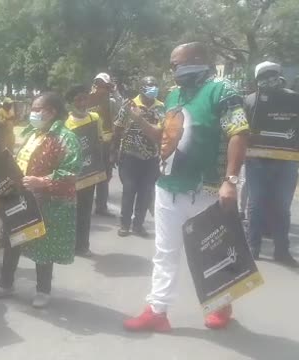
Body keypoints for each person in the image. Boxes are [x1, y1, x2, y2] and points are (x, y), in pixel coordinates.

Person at [123, 42, 249, 331]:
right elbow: (165, 138)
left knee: (211, 250)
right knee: (165, 252)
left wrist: (230, 181)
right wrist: (138, 118)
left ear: (197, 59)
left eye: (175, 63)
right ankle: (157, 311)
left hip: (207, 189)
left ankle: (222, 303)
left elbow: (238, 134)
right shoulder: (174, 95)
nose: (172, 69)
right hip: (168, 186)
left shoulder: (224, 91)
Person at [0, 92, 82, 308]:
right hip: (19, 197)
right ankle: (5, 285)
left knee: (43, 245)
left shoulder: (66, 138)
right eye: (33, 108)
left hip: (48, 201)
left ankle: (43, 290)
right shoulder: (33, 133)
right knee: (13, 241)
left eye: (38, 109)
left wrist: (42, 181)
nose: (33, 113)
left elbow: (72, 174)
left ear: (52, 112)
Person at [244, 61, 298, 267]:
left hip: (287, 161)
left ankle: (282, 251)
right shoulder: (249, 101)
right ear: (257, 80)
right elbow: (241, 129)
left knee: (282, 208)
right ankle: (253, 248)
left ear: (280, 75)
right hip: (257, 161)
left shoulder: (294, 99)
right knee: (256, 205)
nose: (270, 79)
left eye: (273, 74)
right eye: (264, 76)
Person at [112, 76, 164, 237]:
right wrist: (113, 151)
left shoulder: (162, 107)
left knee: (146, 192)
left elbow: (164, 132)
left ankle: (138, 225)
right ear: (141, 88)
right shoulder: (129, 105)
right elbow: (118, 128)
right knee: (129, 190)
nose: (153, 88)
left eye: (155, 85)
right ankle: (124, 224)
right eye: (149, 86)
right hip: (129, 156)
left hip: (151, 158)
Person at [64, 84, 103, 257]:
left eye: (84, 98)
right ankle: (68, 245)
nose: (82, 102)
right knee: (70, 210)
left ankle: (82, 245)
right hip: (71, 174)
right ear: (72, 102)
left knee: (85, 210)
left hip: (89, 173)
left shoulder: (95, 118)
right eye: (78, 99)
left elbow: (99, 142)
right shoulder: (65, 122)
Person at [90, 73, 119, 216]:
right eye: (98, 84)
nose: (100, 88)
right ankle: (83, 205)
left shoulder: (112, 101)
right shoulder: (86, 99)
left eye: (104, 85)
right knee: (87, 176)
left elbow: (121, 113)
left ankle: (101, 206)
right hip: (89, 144)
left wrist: (116, 92)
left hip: (106, 144)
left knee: (104, 176)